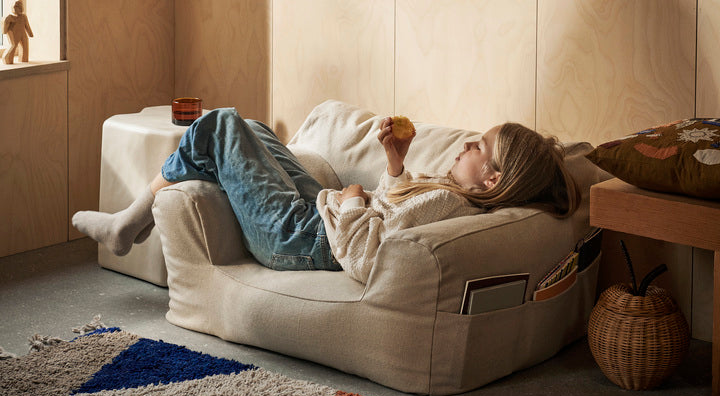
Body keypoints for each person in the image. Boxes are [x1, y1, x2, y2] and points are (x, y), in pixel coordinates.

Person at [73, 109, 579, 284]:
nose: (466, 146)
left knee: (220, 124)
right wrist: (395, 165)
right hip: (323, 216)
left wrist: (354, 199)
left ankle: (126, 225)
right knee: (253, 128)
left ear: (491, 181)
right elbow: (396, 214)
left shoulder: (449, 204)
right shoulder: (449, 196)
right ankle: (129, 223)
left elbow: (367, 255)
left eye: (478, 148)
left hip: (304, 238)